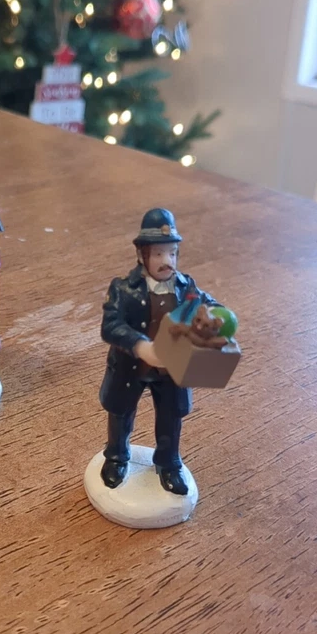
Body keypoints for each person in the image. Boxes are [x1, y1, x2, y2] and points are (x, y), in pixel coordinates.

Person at [99, 208, 218, 494]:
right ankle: (116, 456)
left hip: (171, 369)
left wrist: (216, 318)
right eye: (159, 254)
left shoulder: (185, 287)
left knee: (170, 417)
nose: (167, 261)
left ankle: (168, 463)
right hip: (131, 367)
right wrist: (141, 346)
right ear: (142, 255)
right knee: (121, 413)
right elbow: (110, 326)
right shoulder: (124, 289)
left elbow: (209, 304)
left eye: (172, 253)